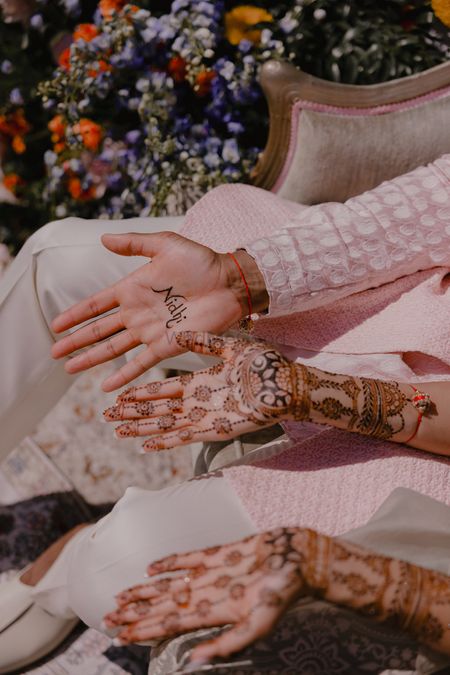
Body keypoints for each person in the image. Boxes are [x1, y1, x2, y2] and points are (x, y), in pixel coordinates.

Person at [1, 155, 450, 672]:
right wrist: (243, 278)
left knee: (123, 566)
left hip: (421, 464)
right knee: (61, 265)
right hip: (401, 296)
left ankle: (55, 571)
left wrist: (317, 391)